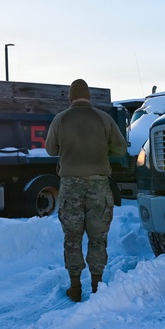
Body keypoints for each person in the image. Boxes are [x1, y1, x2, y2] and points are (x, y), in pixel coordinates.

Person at [45, 79, 127, 302]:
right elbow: (120, 149)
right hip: (98, 185)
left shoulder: (60, 119)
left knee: (72, 237)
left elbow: (50, 149)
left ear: (70, 97)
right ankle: (97, 285)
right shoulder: (104, 118)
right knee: (97, 237)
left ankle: (75, 287)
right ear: (88, 96)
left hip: (70, 185)